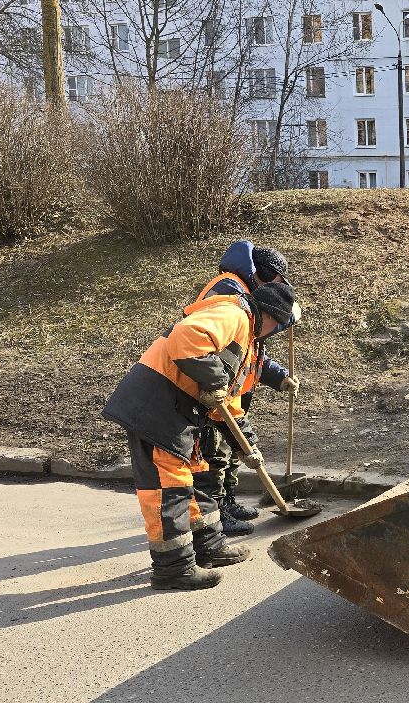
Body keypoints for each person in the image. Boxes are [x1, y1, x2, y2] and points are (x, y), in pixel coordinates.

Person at [102, 281, 298, 590]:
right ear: (270, 316)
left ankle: (209, 547)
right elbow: (186, 337)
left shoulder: (246, 336)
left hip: (180, 413)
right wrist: (215, 378)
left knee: (198, 478)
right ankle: (174, 569)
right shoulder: (234, 315)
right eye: (278, 325)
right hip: (156, 407)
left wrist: (247, 445)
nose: (274, 332)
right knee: (170, 489)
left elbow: (227, 402)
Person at [192, 242, 300, 536]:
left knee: (229, 452)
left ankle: (227, 501)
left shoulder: (247, 294)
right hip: (214, 392)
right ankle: (217, 513)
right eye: (279, 282)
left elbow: (251, 355)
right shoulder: (230, 292)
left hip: (230, 390)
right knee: (215, 456)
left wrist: (278, 376)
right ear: (266, 275)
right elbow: (227, 351)